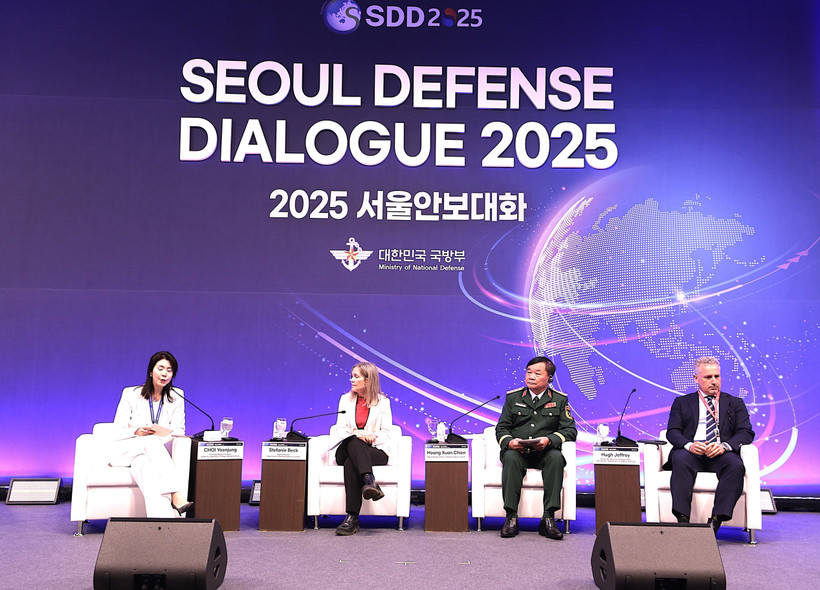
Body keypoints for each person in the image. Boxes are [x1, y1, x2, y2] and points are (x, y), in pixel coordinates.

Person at [664, 356, 755, 533]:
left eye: (717, 376)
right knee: (680, 458)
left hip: (720, 452)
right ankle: (682, 520)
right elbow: (672, 431)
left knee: (735, 465)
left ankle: (715, 521)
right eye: (708, 377)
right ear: (696, 379)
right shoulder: (682, 402)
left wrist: (725, 446)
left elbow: (746, 432)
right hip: (692, 452)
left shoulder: (735, 403)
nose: (714, 381)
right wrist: (689, 445)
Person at [495, 356, 576, 539]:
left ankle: (548, 518)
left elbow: (570, 430)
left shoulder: (559, 400)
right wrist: (510, 442)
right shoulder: (513, 397)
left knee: (556, 458)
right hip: (518, 451)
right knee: (510, 457)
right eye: (528, 372)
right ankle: (511, 518)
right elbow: (502, 428)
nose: (531, 376)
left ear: (549, 378)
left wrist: (549, 440)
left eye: (537, 373)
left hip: (544, 452)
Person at [108, 351, 193, 518]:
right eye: (160, 368)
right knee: (151, 441)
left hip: (151, 454)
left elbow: (179, 430)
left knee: (145, 467)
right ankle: (176, 493)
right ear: (150, 371)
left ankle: (164, 522)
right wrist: (136, 431)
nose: (164, 373)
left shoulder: (176, 396)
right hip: (124, 450)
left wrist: (160, 434)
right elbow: (117, 429)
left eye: (169, 370)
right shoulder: (131, 394)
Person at [331, 362, 393, 535]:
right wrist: (359, 434)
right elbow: (339, 429)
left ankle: (352, 518)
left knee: (353, 462)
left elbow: (388, 433)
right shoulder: (345, 400)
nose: (352, 379)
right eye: (351, 376)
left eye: (356, 376)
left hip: (374, 450)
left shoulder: (383, 402)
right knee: (354, 442)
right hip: (346, 447)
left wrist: (370, 437)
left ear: (368, 380)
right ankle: (369, 480)